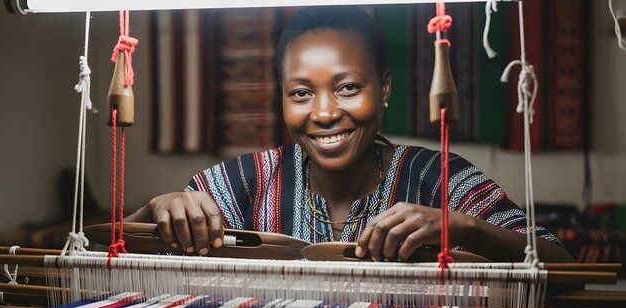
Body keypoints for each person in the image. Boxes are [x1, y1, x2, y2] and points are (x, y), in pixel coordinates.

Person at [127, 6, 573, 263]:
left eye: (347, 88)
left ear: (385, 89)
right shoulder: (245, 183)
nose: (323, 113)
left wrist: (463, 226)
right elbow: (110, 249)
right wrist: (157, 209)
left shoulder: (436, 177)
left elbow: (558, 260)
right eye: (301, 93)